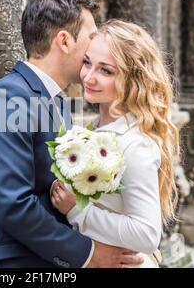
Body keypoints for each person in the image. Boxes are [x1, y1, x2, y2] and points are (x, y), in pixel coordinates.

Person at [0, 0, 144, 268]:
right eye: (91, 39)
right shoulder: (6, 98)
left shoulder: (55, 102)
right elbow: (12, 204)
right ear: (65, 41)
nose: (95, 48)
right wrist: (89, 254)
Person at [51, 19, 180, 268]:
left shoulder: (134, 145)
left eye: (106, 71)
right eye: (87, 62)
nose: (89, 77)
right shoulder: (95, 129)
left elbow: (146, 234)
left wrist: (78, 210)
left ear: (132, 79)